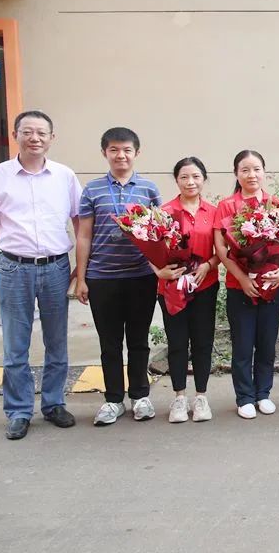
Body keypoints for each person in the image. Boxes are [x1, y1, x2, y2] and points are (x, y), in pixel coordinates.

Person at [0, 110, 81, 440]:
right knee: (15, 343)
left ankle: (53, 404)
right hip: (13, 269)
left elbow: (79, 219)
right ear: (15, 136)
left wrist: (80, 264)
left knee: (56, 340)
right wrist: (9, 246)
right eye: (27, 132)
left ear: (52, 138)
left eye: (41, 133)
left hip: (56, 267)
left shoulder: (64, 176)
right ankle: (19, 411)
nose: (35, 138)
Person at [75, 127, 161, 426]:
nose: (120, 155)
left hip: (141, 277)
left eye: (126, 150)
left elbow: (159, 235)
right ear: (105, 153)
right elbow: (84, 235)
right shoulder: (92, 189)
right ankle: (113, 400)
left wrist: (158, 271)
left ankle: (140, 396)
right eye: (114, 149)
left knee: (139, 340)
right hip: (102, 278)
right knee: (109, 343)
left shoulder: (149, 189)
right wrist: (81, 278)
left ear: (136, 153)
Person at [214, 150, 279, 419]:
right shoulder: (227, 206)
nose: (251, 175)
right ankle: (245, 396)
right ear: (236, 174)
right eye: (245, 170)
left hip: (273, 285)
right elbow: (222, 249)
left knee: (267, 343)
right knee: (243, 344)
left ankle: (263, 393)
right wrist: (243, 278)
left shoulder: (277, 205)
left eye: (256, 169)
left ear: (264, 172)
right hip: (240, 286)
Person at [154, 157, 220, 423]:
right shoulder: (164, 212)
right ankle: (179, 397)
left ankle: (201, 396)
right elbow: (148, 248)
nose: (190, 182)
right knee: (177, 342)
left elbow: (222, 250)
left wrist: (208, 265)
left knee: (203, 342)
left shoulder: (213, 211)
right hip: (172, 288)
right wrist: (159, 271)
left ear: (204, 179)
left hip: (205, 286)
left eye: (195, 176)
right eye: (184, 177)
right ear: (176, 180)